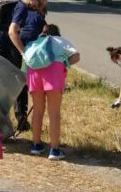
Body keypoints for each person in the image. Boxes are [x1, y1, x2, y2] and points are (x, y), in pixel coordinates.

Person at [25, 23, 80, 161]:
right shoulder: (60, 41)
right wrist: (65, 63)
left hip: (34, 73)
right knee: (54, 112)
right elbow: (76, 56)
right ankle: (54, 150)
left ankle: (36, 145)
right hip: (54, 72)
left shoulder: (34, 43)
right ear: (57, 33)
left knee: (38, 111)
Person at [6, 0, 50, 131]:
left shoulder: (24, 9)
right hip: (24, 49)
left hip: (16, 47)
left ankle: (18, 119)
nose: (41, 5)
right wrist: (25, 53)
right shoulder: (32, 13)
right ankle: (21, 119)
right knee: (22, 84)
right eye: (42, 3)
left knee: (17, 84)